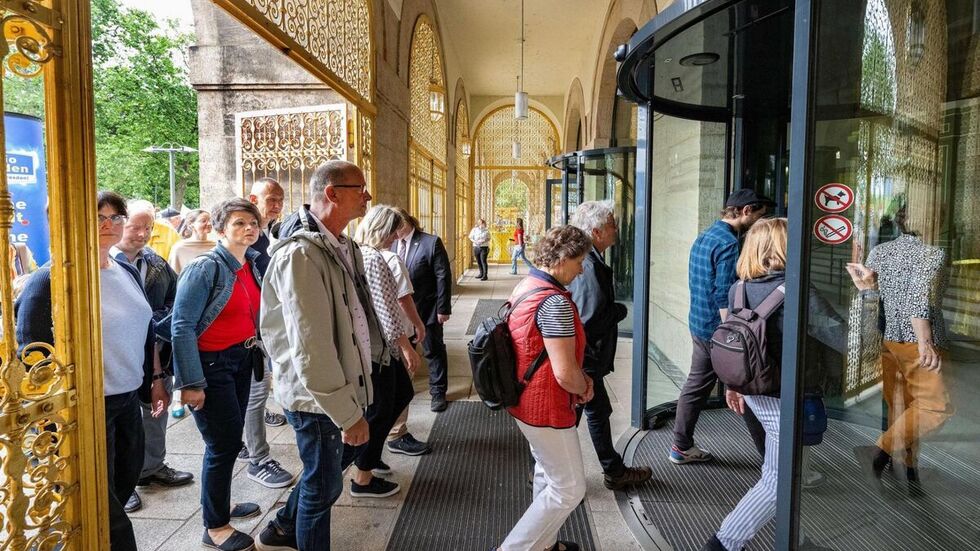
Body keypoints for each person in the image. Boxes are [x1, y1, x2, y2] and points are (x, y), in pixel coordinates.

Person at [703, 218, 872, 551]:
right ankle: (723, 544)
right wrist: (868, 295)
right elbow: (854, 342)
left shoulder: (739, 287)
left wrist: (734, 385)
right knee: (778, 482)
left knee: (789, 473)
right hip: (787, 400)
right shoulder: (797, 293)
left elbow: (738, 342)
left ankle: (796, 538)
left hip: (755, 395)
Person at [15, 191, 166, 551]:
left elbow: (145, 332)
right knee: (105, 511)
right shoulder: (49, 282)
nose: (108, 224)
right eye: (98, 216)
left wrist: (155, 381)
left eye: (115, 217)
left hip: (127, 402)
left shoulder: (125, 270)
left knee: (120, 488)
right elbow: (32, 357)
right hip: (83, 411)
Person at [257, 160, 378, 550]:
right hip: (317, 398)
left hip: (337, 388)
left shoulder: (339, 244)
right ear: (331, 193)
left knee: (321, 478)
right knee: (321, 488)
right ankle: (291, 532)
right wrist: (346, 411)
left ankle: (281, 528)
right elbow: (311, 345)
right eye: (360, 187)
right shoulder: (300, 255)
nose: (367, 195)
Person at [169, 198, 266, 551]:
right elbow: (181, 326)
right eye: (239, 223)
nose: (249, 228)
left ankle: (220, 504)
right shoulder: (205, 267)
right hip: (211, 365)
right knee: (222, 444)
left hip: (241, 360)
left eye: (253, 222)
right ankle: (215, 527)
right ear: (221, 229)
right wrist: (191, 383)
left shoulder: (251, 264)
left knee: (230, 440)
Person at [498, 225, 594, 551]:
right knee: (569, 488)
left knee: (546, 473)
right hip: (547, 406)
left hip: (524, 400)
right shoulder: (554, 303)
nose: (582, 269)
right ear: (563, 258)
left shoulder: (528, 284)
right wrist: (585, 386)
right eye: (580, 261)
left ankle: (546, 544)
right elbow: (565, 373)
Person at [670, 189, 773, 465]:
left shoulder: (705, 236)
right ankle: (772, 460)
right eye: (759, 216)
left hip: (699, 323)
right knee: (748, 385)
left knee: (697, 385)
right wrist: (735, 334)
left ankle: (681, 445)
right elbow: (722, 293)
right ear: (746, 210)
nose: (758, 223)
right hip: (719, 330)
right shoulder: (729, 243)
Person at [110, 200, 193, 514]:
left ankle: (152, 467)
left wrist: (159, 324)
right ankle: (124, 482)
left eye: (148, 227)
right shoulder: (105, 263)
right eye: (136, 227)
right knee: (122, 422)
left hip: (157, 352)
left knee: (156, 413)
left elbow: (176, 300)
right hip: (122, 356)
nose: (143, 234)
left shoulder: (156, 263)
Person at [851, 229, 953, 486]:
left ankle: (908, 468)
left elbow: (871, 297)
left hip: (889, 340)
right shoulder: (934, 253)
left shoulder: (880, 251)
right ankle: (882, 450)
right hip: (919, 342)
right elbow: (919, 298)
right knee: (933, 407)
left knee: (905, 411)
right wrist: (925, 342)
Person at [568, 201, 653, 491]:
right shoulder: (588, 265)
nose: (617, 229)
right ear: (596, 231)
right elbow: (590, 319)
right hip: (587, 357)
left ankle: (611, 469)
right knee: (577, 415)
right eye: (612, 225)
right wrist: (618, 312)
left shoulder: (591, 259)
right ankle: (548, 472)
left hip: (587, 357)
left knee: (594, 412)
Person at [342, 204, 423, 495]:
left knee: (396, 397)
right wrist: (406, 347)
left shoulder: (355, 252)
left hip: (368, 346)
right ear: (382, 230)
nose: (395, 237)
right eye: (392, 232)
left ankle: (366, 461)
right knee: (380, 410)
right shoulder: (374, 258)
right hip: (378, 349)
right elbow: (387, 309)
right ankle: (360, 472)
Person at [237, 177, 296, 490]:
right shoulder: (245, 239)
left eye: (280, 199)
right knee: (255, 395)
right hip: (251, 333)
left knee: (267, 389)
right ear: (252, 197)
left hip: (272, 325)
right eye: (271, 198)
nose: (276, 205)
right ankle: (258, 459)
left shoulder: (273, 233)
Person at [392, 207, 454, 412]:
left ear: (404, 222)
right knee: (402, 352)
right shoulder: (390, 243)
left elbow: (442, 277)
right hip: (400, 313)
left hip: (426, 309)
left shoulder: (430, 242)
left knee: (433, 351)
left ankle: (438, 393)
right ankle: (405, 388)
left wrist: (443, 309)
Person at [382, 216, 432, 458]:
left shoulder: (359, 254)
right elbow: (403, 298)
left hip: (379, 334)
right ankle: (396, 434)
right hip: (400, 330)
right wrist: (418, 325)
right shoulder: (390, 258)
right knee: (403, 384)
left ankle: (383, 436)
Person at [168, 209, 217, 273]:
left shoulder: (216, 246)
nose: (209, 223)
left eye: (210, 220)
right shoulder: (179, 248)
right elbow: (173, 275)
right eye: (203, 221)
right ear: (191, 224)